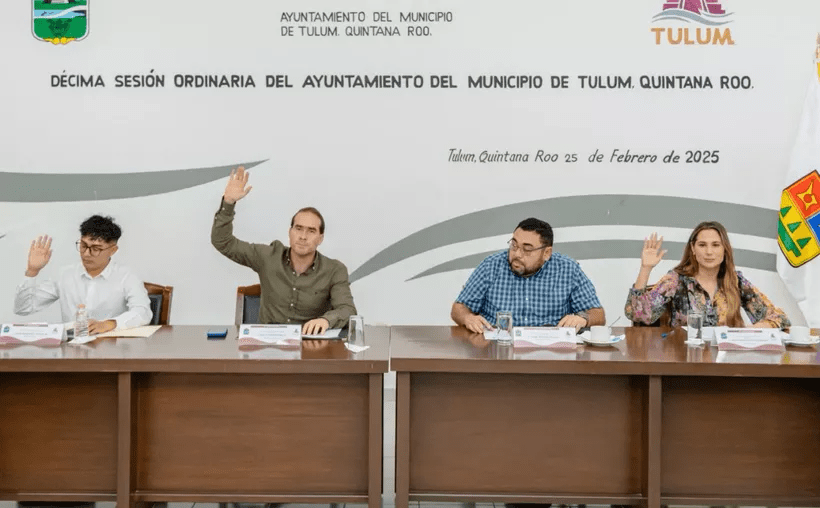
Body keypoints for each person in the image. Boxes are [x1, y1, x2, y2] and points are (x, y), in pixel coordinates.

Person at [211, 166, 356, 334]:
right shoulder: (268, 256)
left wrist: (326, 320)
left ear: (320, 238)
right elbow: (222, 242)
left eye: (311, 231)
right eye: (298, 229)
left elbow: (347, 309)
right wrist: (228, 203)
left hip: (309, 344)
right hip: (268, 344)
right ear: (290, 232)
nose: (303, 236)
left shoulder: (334, 270)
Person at [451, 217, 605, 333]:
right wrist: (467, 318)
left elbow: (598, 314)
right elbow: (459, 307)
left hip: (550, 353)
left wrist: (582, 319)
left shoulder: (567, 269)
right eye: (514, 245)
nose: (517, 254)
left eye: (527, 249)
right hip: (498, 349)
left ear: (546, 253)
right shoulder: (491, 265)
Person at [625, 221, 790, 328]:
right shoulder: (676, 280)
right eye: (702, 245)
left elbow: (780, 317)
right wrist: (645, 268)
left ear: (724, 249)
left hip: (725, 361)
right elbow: (637, 314)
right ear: (693, 249)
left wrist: (753, 330)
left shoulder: (736, 280)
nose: (709, 252)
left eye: (716, 245)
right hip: (685, 360)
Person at [14, 215, 152, 334]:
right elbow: (23, 309)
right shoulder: (65, 274)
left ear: (113, 250)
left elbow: (143, 312)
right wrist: (32, 271)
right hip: (71, 348)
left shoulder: (126, 276)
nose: (86, 254)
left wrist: (109, 324)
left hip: (110, 347)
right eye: (83, 246)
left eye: (96, 249)